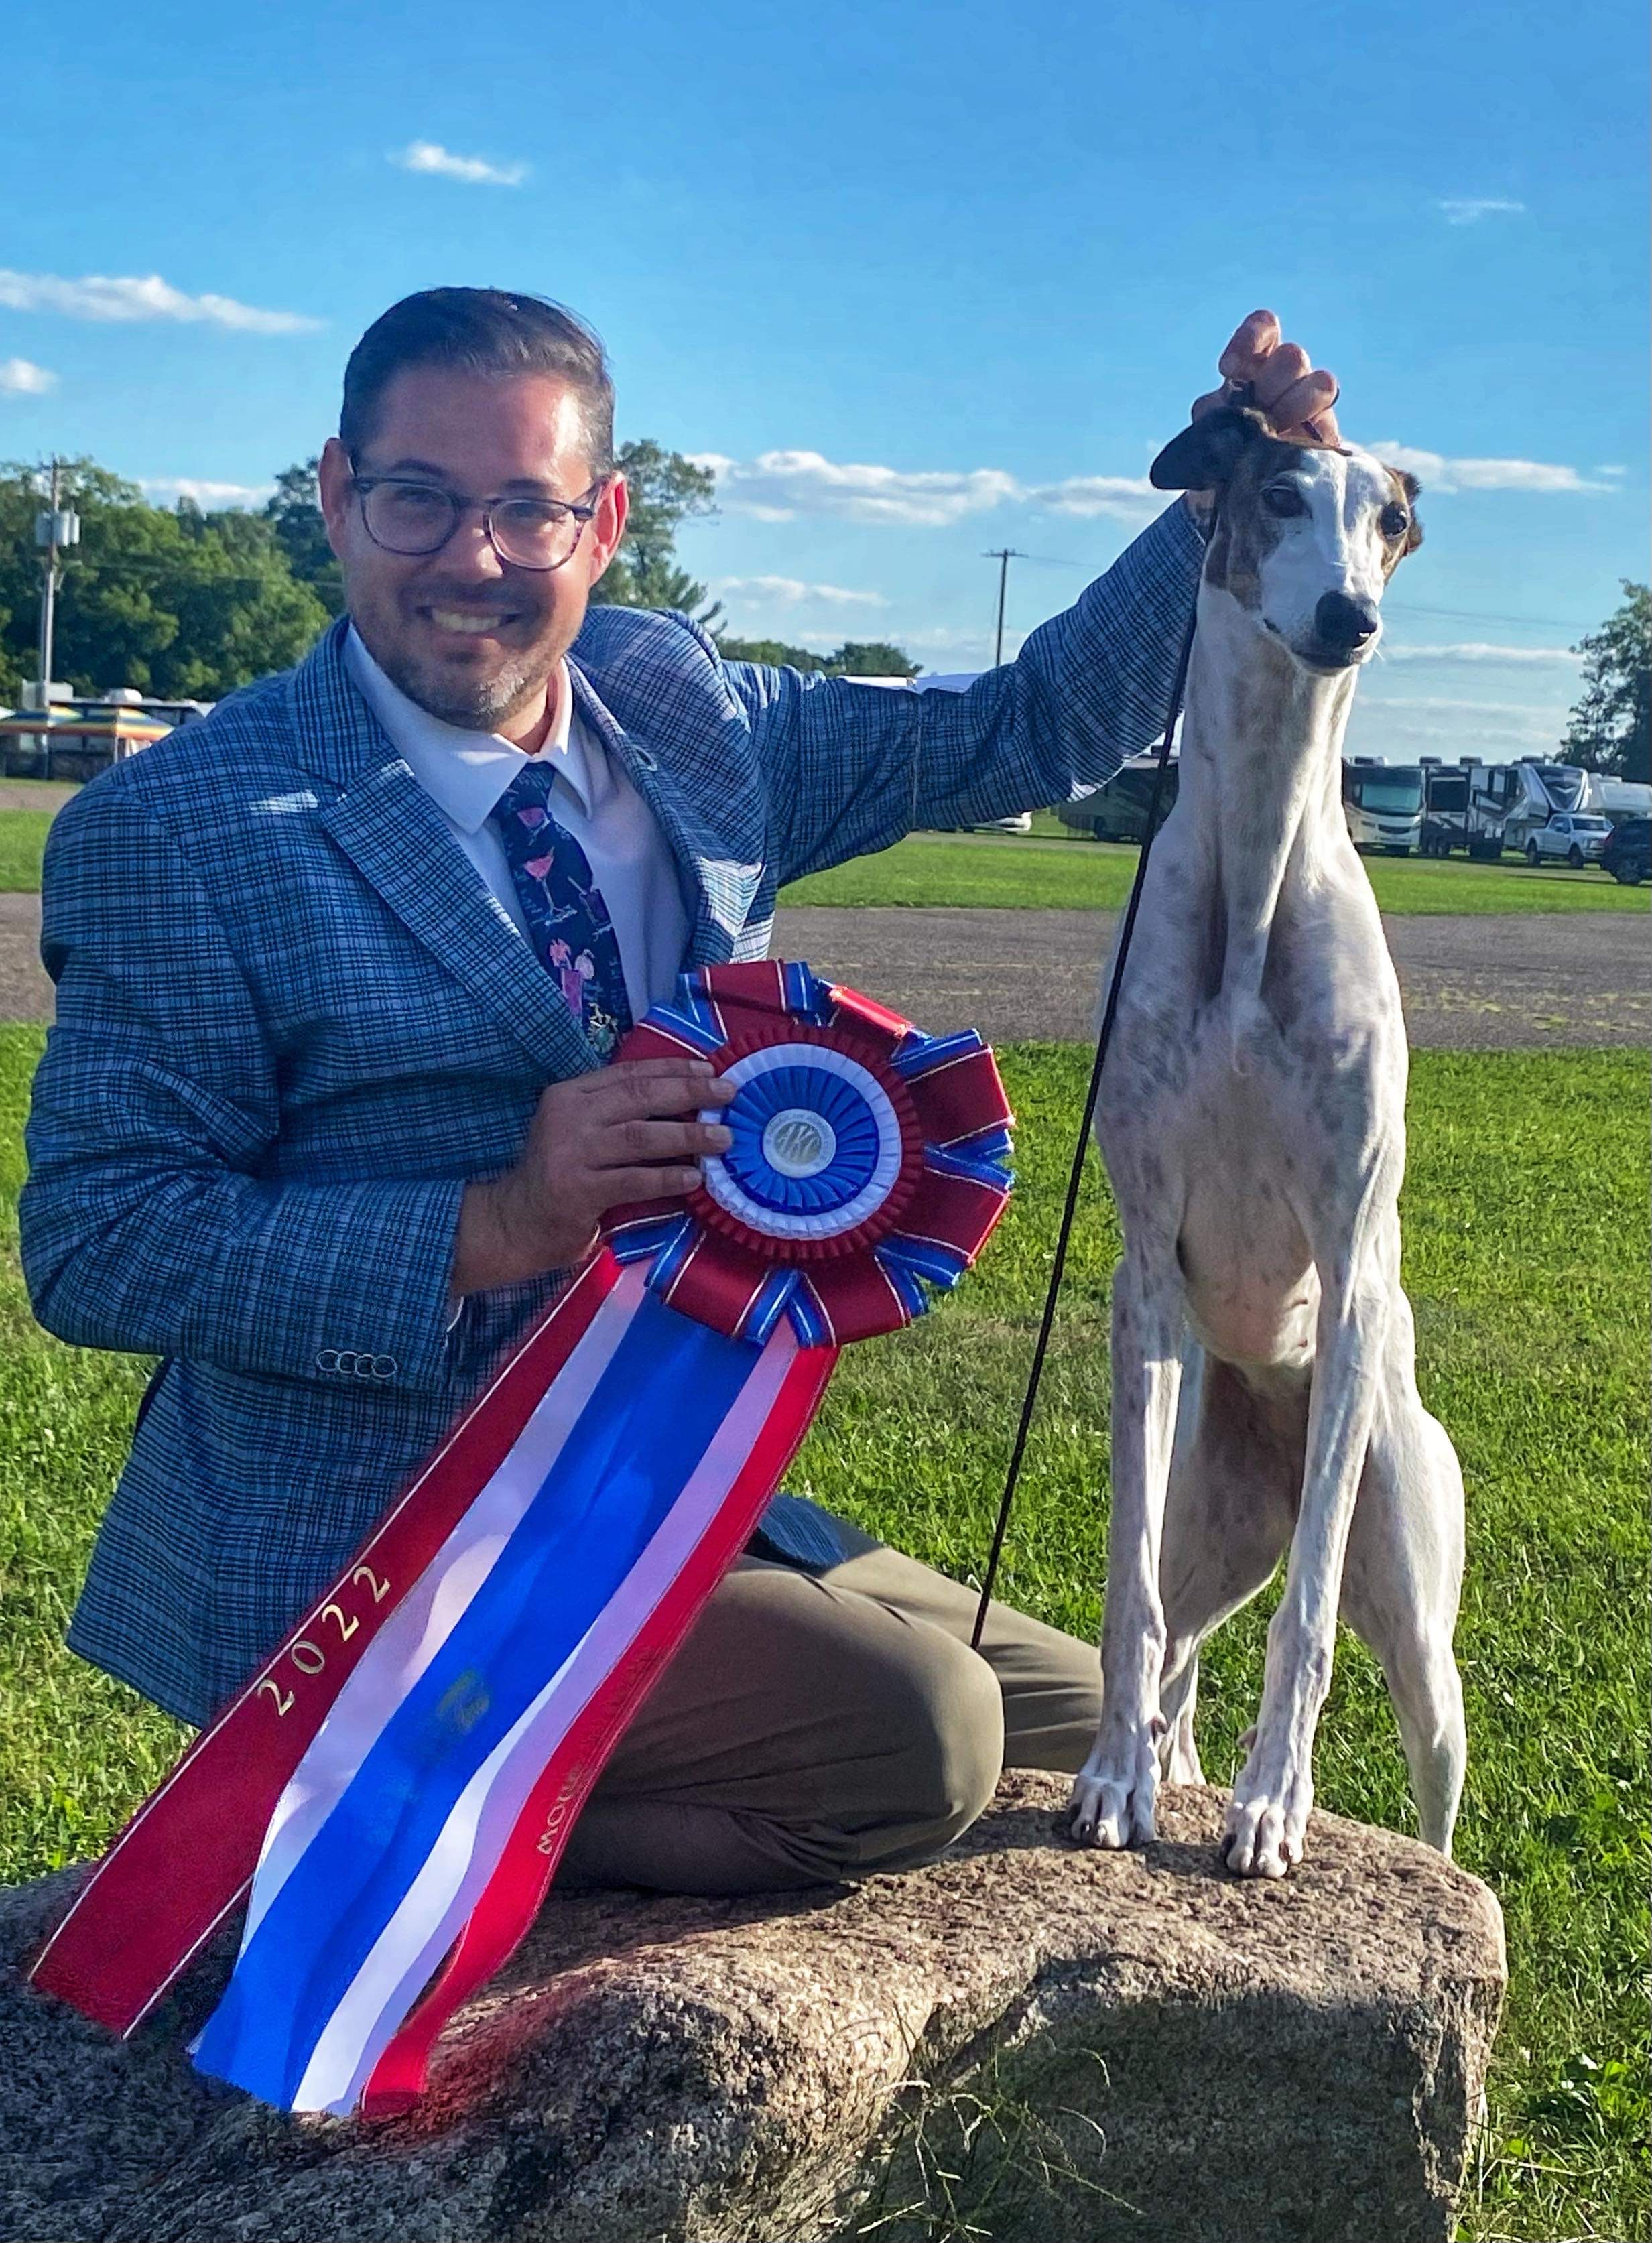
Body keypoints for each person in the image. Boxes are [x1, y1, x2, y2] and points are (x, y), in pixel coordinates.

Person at [20, 294, 1342, 1895]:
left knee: (1070, 1714)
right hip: (376, 1546)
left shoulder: (687, 711)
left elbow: (1032, 723)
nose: (474, 558)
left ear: (608, 520)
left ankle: (492, 1775)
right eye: (418, 497)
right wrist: (497, 1220)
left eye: (530, 508)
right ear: (333, 494)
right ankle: (345, 1814)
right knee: (928, 1740)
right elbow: (103, 1244)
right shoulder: (187, 824)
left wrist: (1235, 493)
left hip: (656, 1478)